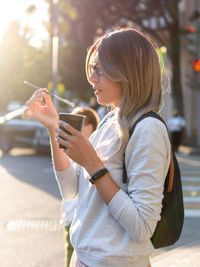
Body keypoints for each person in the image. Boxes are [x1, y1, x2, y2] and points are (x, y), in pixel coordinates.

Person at [24, 27, 171, 267]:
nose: (92, 78)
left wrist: (92, 163)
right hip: (84, 258)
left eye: (101, 70)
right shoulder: (108, 122)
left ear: (128, 71)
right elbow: (71, 191)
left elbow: (143, 227)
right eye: (94, 69)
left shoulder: (147, 129)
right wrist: (53, 127)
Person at [62, 106, 100, 267]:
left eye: (77, 123)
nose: (71, 128)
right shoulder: (72, 149)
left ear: (89, 127)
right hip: (70, 216)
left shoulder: (95, 150)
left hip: (83, 219)